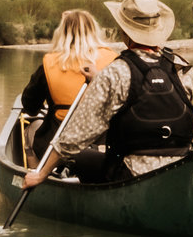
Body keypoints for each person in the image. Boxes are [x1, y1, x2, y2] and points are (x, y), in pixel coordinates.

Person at [20, 0, 193, 188]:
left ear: (124, 31)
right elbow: (158, 106)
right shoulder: (181, 67)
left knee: (77, 156)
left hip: (131, 171)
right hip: (179, 165)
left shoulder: (116, 72)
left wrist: (41, 174)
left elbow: (76, 135)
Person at [16, 10, 117, 164]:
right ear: (94, 31)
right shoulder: (115, 60)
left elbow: (30, 106)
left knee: (29, 130)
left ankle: (40, 179)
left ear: (62, 33)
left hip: (56, 147)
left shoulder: (50, 63)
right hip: (104, 144)